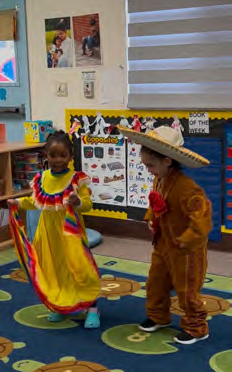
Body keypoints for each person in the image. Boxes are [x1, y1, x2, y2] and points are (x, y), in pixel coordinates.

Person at [118, 124, 212, 345]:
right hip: (163, 245)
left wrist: (185, 241)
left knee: (187, 290)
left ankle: (197, 327)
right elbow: (156, 201)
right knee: (156, 283)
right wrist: (151, 217)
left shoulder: (188, 188)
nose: (147, 170)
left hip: (186, 250)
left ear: (167, 161)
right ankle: (158, 316)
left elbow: (202, 220)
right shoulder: (159, 179)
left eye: (150, 165)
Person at [8, 130, 100, 328]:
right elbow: (36, 202)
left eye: (63, 155)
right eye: (53, 155)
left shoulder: (77, 179)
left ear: (70, 156)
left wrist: (76, 202)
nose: (58, 160)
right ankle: (61, 305)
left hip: (71, 234)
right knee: (54, 270)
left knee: (80, 268)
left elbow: (87, 205)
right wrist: (18, 202)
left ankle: (92, 307)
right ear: (46, 155)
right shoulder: (42, 178)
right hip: (48, 235)